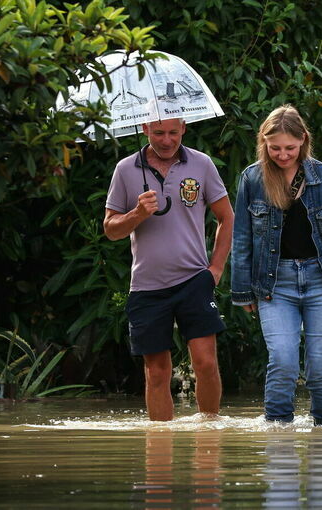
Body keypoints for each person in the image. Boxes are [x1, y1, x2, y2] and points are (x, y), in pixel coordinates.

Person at [231, 105, 322, 427]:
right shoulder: (252, 179)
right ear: (264, 143)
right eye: (274, 148)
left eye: (289, 148)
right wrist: (242, 292)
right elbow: (242, 239)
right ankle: (277, 435)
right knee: (283, 361)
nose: (282, 155)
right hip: (275, 285)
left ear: (303, 141)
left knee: (320, 367)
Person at [104, 117, 234, 421]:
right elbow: (111, 230)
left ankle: (208, 438)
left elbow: (226, 217)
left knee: (205, 363)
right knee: (157, 372)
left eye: (173, 132)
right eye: (159, 132)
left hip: (193, 279)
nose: (166, 140)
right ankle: (160, 453)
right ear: (145, 129)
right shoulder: (125, 169)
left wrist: (215, 268)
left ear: (184, 129)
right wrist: (137, 213)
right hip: (147, 286)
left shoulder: (201, 164)